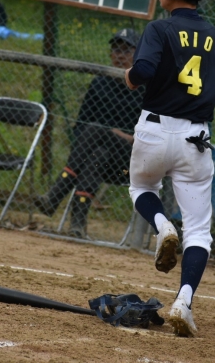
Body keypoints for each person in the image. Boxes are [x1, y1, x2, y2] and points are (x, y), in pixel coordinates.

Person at [124, 0, 215, 337]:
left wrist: (130, 77)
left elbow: (143, 69)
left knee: (142, 187)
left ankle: (161, 226)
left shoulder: (160, 29)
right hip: (195, 138)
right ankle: (183, 303)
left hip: (154, 130)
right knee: (199, 231)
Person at [34, 28, 143, 238]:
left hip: (129, 161)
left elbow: (143, 138)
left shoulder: (145, 89)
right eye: (116, 50)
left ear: (138, 55)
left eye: (126, 50)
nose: (119, 55)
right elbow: (80, 127)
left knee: (95, 130)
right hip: (98, 160)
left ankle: (56, 193)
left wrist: (115, 134)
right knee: (97, 153)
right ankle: (77, 225)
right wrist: (106, 133)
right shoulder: (100, 83)